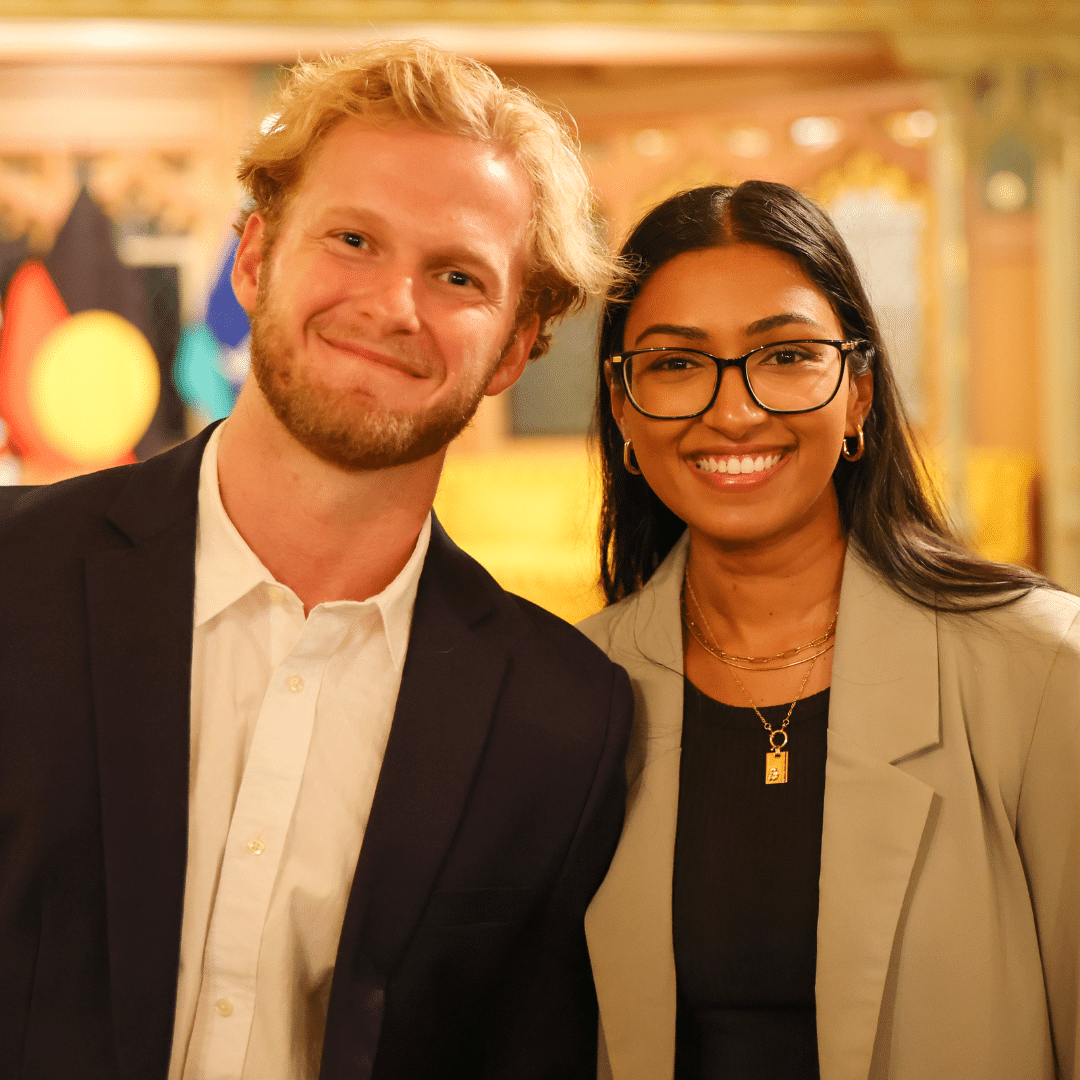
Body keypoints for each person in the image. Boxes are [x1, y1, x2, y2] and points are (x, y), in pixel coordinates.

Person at [0, 42, 633, 1080]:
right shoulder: (14, 580)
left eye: (459, 275)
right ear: (254, 261)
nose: (394, 306)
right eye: (353, 239)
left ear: (516, 347)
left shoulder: (561, 717)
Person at [578, 181, 1080, 1080]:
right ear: (622, 407)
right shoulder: (571, 691)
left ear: (860, 395)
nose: (733, 411)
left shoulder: (1041, 669)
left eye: (785, 356)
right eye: (677, 364)